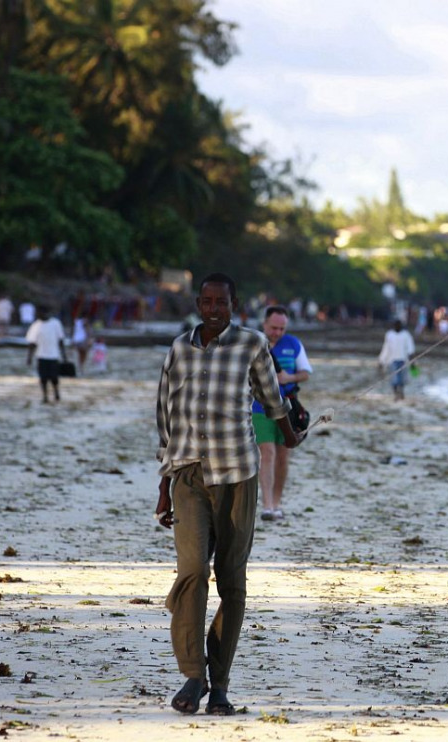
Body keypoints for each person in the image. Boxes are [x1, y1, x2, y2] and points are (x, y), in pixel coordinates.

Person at [153, 273, 303, 716]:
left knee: (232, 580)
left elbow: (272, 399)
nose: (215, 308)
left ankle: (220, 685)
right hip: (188, 475)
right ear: (198, 303)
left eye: (223, 302)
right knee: (193, 571)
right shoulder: (178, 349)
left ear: (235, 304)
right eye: (207, 301)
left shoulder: (252, 344)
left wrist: (290, 433)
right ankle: (193, 674)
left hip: (238, 474)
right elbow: (165, 418)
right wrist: (163, 485)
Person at [252, 306, 312, 521]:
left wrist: (288, 378)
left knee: (283, 456)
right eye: (273, 328)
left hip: (287, 407)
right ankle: (267, 505)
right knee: (267, 453)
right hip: (259, 407)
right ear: (264, 324)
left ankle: (277, 503)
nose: (277, 332)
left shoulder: (293, 344)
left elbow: (305, 373)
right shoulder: (253, 343)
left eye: (282, 328)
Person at [24, 306, 67, 403]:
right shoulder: (36, 325)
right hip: (41, 356)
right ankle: (45, 396)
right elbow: (32, 343)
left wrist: (64, 356)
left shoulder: (56, 324)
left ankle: (56, 392)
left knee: (54, 377)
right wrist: (29, 357)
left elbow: (61, 340)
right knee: (43, 378)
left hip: (53, 355)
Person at [378, 319, 416, 401]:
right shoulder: (389, 335)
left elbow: (410, 348)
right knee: (394, 379)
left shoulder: (406, 335)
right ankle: (396, 394)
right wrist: (381, 360)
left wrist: (412, 361)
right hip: (392, 360)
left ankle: (401, 393)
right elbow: (386, 348)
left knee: (402, 378)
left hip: (403, 360)